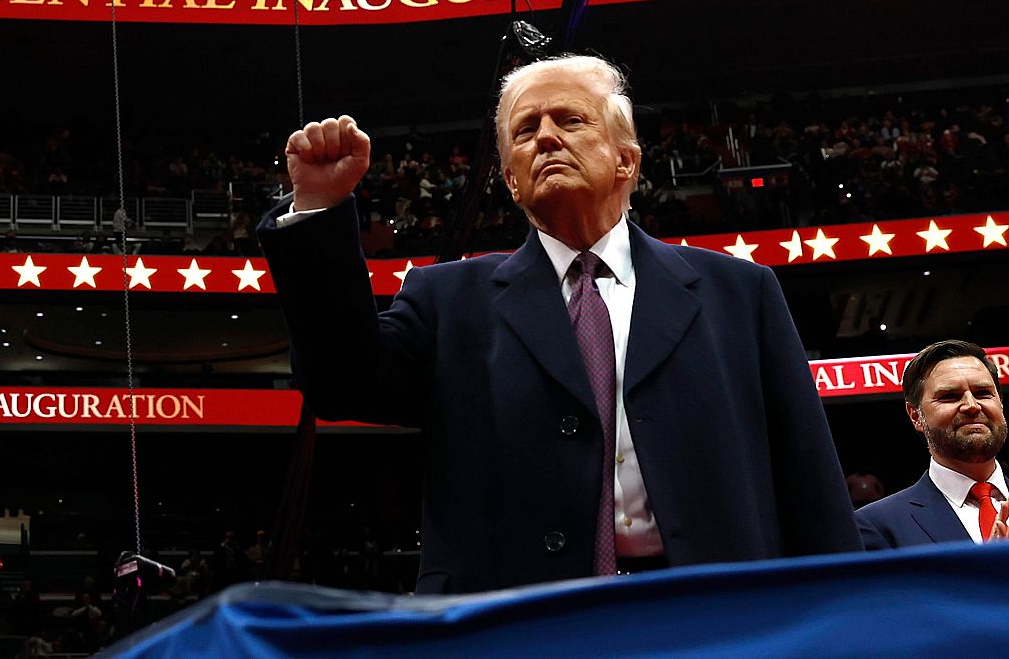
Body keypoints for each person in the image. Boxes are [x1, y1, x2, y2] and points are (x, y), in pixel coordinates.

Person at [257, 52, 860, 594]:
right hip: (516, 622)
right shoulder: (449, 300)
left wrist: (843, 614)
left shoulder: (739, 293)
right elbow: (340, 384)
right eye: (525, 130)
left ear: (626, 160)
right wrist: (318, 209)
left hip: (716, 616)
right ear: (511, 180)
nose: (546, 137)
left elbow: (808, 475)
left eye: (570, 121)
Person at [856, 339, 1009, 548]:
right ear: (916, 416)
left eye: (983, 393)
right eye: (950, 396)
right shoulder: (876, 526)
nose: (972, 405)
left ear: (1000, 403)